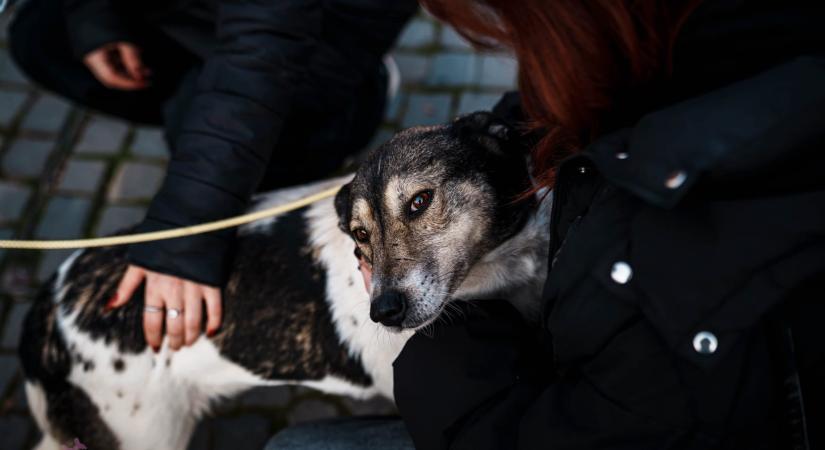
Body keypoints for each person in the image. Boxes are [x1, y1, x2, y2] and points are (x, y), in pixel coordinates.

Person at [269, 0, 825, 448]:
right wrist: (490, 133)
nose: (507, 42)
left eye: (502, 21)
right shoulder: (723, 48)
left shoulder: (672, 268)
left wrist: (446, 339)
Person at [9, 0, 418, 350]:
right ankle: (210, 115)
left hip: (311, 32)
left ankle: (352, 105)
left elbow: (262, 47)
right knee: (41, 35)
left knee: (222, 125)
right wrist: (96, 19)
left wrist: (186, 229)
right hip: (213, 16)